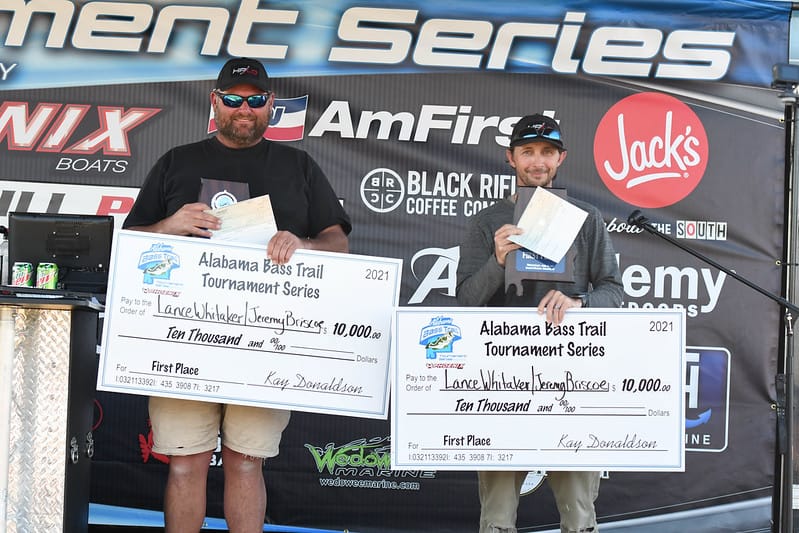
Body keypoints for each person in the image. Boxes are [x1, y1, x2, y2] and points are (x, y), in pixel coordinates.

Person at [122, 57, 352, 533]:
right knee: (186, 464)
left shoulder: (298, 165)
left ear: (270, 105)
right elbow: (131, 245)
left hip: (265, 344)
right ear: (215, 103)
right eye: (232, 98)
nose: (242, 108)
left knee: (247, 462)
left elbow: (338, 241)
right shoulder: (177, 162)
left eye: (253, 99)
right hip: (183, 342)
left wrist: (303, 244)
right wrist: (169, 226)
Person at [456, 113, 623, 533]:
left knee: (579, 512)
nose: (537, 161)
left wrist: (577, 300)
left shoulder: (587, 217)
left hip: (572, 375)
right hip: (500, 377)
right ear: (510, 158)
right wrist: (497, 260)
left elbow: (614, 292)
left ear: (560, 158)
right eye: (527, 152)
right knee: (496, 515)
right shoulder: (487, 221)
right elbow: (466, 301)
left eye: (547, 152)